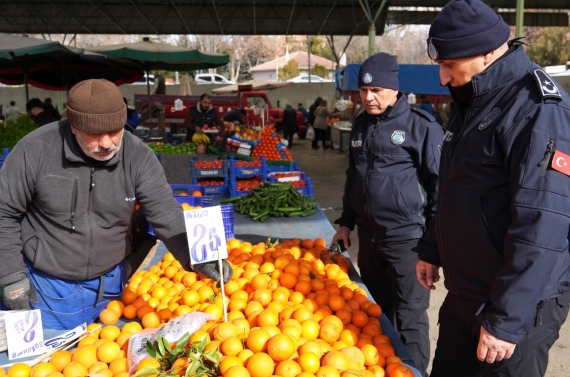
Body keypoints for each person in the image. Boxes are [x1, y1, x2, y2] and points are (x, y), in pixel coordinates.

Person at [0, 79, 232, 330]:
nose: (108, 143)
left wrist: (199, 255)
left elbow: (164, 209)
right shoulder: (35, 150)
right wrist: (12, 276)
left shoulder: (137, 155)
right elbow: (4, 211)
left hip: (111, 293)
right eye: (95, 134)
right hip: (46, 290)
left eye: (115, 131)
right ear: (74, 127)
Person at [415, 1, 570, 376]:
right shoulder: (474, 99)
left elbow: (542, 222)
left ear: (486, 54)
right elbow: (456, 184)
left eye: (449, 65)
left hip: (520, 304)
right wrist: (433, 249)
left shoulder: (536, 107)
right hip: (468, 290)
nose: (442, 78)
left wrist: (505, 319)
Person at [331, 52, 443, 376]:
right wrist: (345, 224)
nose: (368, 97)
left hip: (407, 243)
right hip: (368, 241)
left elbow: (440, 190)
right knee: (377, 314)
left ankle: (415, 372)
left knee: (410, 318)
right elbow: (354, 178)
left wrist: (432, 249)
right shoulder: (360, 125)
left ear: (395, 90)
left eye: (376, 90)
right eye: (363, 91)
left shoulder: (420, 127)